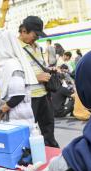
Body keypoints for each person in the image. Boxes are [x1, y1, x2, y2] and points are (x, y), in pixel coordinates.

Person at [19, 16, 59, 147]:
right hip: (29, 97)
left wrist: (48, 71)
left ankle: (53, 154)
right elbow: (12, 76)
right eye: (35, 34)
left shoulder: (38, 47)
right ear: (24, 31)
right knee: (29, 132)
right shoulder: (15, 49)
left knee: (49, 129)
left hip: (44, 94)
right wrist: (36, 78)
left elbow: (38, 67)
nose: (37, 38)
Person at [0, 29, 35, 127]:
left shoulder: (12, 65)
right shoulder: (9, 64)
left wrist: (0, 110)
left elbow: (18, 96)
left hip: (18, 122)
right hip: (17, 120)